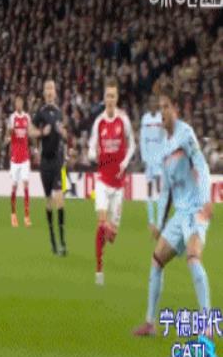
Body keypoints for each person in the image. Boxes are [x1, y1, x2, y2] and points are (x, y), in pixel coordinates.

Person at [134, 83, 212, 336]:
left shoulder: (185, 134)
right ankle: (149, 323)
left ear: (176, 109)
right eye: (160, 108)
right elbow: (166, 190)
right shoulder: (164, 146)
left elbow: (201, 165)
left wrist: (206, 200)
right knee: (157, 260)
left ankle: (207, 324)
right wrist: (159, 222)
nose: (163, 113)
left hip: (195, 209)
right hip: (180, 214)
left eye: (166, 107)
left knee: (193, 258)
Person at [88, 77, 136, 286]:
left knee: (112, 235)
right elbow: (91, 148)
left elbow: (132, 145)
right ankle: (99, 270)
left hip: (118, 184)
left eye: (113, 96)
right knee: (101, 223)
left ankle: (109, 230)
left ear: (117, 98)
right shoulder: (98, 122)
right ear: (104, 97)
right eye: (107, 96)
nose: (110, 99)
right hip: (102, 181)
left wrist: (125, 162)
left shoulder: (123, 120)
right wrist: (93, 155)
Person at [32, 80, 68, 255]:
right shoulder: (40, 112)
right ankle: (53, 239)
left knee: (60, 199)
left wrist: (63, 132)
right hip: (45, 163)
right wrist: (41, 133)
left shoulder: (60, 113)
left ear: (55, 92)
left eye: (52, 88)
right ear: (44, 92)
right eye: (47, 88)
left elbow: (66, 134)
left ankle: (62, 242)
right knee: (48, 201)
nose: (49, 91)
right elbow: (30, 131)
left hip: (57, 161)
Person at [6, 95, 32, 227]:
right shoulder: (12, 118)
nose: (19, 104)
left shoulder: (27, 117)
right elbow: (8, 134)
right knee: (14, 187)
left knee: (26, 185)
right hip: (15, 158)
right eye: (17, 102)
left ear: (22, 104)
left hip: (25, 158)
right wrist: (9, 134)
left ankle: (26, 216)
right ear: (15, 104)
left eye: (20, 102)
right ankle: (13, 215)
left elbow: (30, 133)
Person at [140, 94, 166, 228]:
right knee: (149, 188)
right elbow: (142, 138)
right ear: (149, 104)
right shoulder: (145, 118)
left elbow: (164, 137)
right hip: (148, 154)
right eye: (151, 102)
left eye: (155, 102)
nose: (153, 104)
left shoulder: (161, 118)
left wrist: (163, 155)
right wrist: (144, 157)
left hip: (158, 154)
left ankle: (160, 219)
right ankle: (151, 220)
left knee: (159, 187)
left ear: (157, 104)